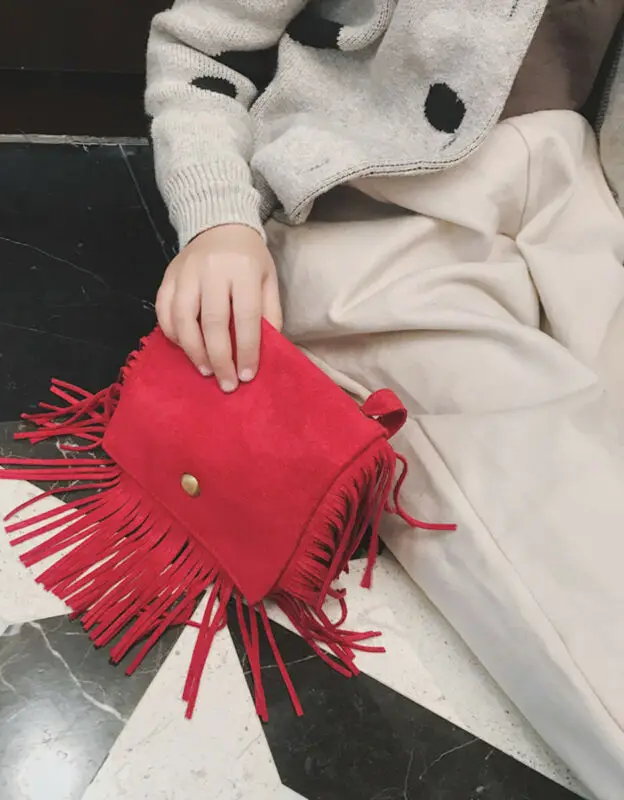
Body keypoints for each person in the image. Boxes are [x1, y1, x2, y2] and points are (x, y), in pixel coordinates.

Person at [145, 3, 624, 799]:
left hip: (576, 184)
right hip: (371, 200)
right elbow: (202, 47)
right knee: (560, 530)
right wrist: (219, 220)